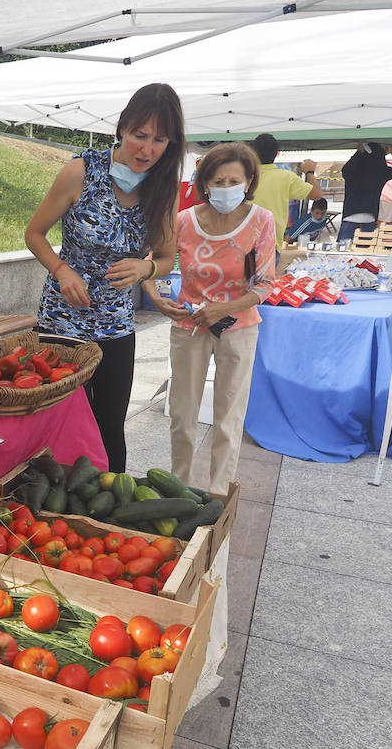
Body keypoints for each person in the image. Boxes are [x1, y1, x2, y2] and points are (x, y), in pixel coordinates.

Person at [25, 82, 185, 472]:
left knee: (110, 423)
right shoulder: (81, 171)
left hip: (115, 323)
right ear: (122, 129)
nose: (146, 150)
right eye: (138, 135)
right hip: (62, 319)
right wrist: (62, 270)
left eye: (159, 140)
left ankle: (110, 507)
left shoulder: (164, 188)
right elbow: (34, 234)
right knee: (59, 418)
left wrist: (146, 267)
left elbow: (167, 257)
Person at [160, 142, 276, 493]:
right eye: (218, 181)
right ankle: (177, 490)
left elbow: (267, 283)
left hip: (239, 329)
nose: (226, 188)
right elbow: (158, 264)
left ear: (250, 181)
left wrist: (223, 308)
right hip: (188, 328)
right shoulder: (183, 221)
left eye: (234, 181)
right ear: (204, 182)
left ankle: (218, 495)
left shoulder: (261, 221)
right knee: (182, 415)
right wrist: (160, 298)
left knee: (229, 417)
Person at [250, 133, 321, 253]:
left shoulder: (243, 176)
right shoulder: (286, 177)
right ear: (277, 154)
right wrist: (309, 172)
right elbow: (317, 194)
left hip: (243, 242)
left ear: (252, 152)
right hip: (271, 244)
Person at [338, 142, 392, 243]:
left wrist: (359, 153)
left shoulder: (353, 171)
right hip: (370, 219)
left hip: (350, 218)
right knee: (366, 254)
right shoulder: (382, 172)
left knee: (343, 253)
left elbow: (345, 170)